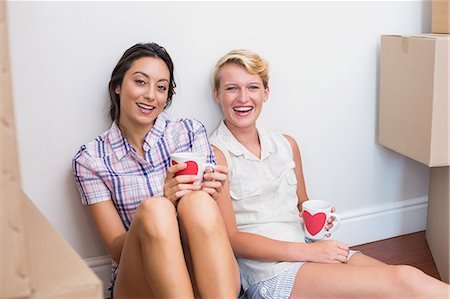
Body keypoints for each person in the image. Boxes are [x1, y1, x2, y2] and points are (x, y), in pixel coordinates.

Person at [209, 49, 450, 299]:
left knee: (403, 283)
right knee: (403, 281)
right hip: (272, 274)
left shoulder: (286, 144)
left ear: (266, 93)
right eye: (231, 88)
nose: (243, 98)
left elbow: (303, 204)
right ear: (217, 95)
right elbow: (231, 238)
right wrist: (308, 254)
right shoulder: (217, 154)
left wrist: (319, 223)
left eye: (253, 87)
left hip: (311, 249)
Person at [72, 43, 240, 299]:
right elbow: (117, 250)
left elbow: (209, 224)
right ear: (118, 85)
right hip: (139, 280)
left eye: (161, 87)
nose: (151, 95)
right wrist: (165, 201)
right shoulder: (91, 160)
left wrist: (212, 194)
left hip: (201, 272)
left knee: (198, 202)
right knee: (156, 209)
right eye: (140, 82)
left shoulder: (189, 132)